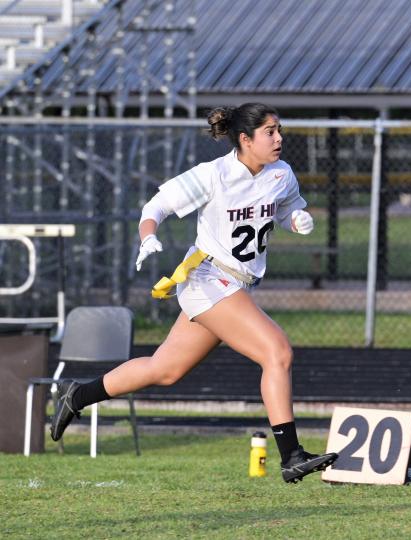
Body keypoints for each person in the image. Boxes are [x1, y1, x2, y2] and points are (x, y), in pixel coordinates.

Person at [50, 103, 338, 483]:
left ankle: (77, 395)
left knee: (164, 370)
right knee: (277, 351)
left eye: (279, 129)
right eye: (270, 132)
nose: (279, 138)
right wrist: (148, 236)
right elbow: (156, 206)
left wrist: (295, 219)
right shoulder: (214, 175)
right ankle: (292, 456)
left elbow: (285, 208)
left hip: (236, 283)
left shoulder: (281, 173)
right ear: (244, 139)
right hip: (208, 277)